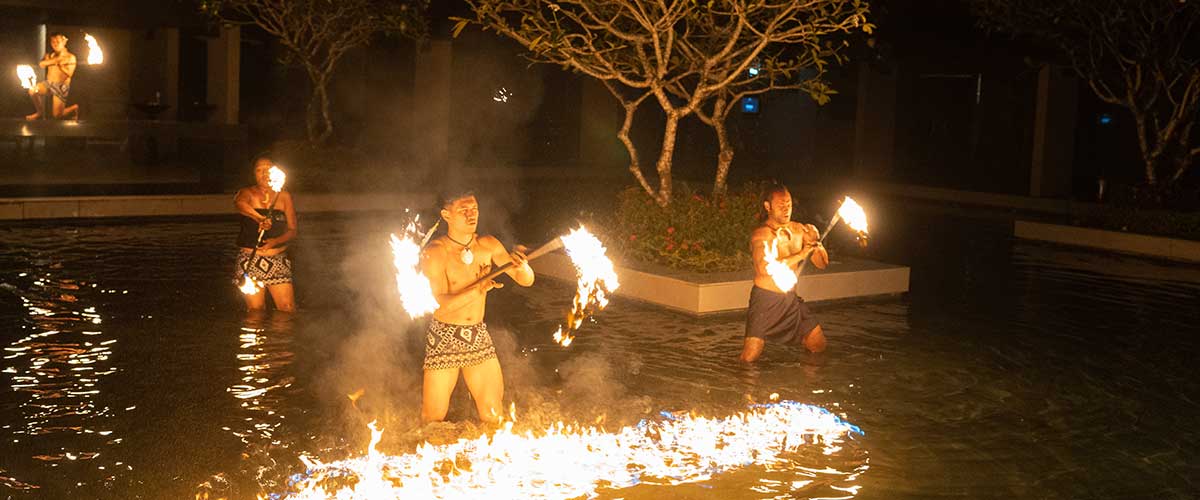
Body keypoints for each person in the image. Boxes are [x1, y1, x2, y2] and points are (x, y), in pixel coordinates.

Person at [419, 189, 534, 424]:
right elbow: (437, 308)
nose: (471, 215)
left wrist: (522, 267)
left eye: (474, 210)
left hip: (477, 335)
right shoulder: (435, 253)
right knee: (433, 417)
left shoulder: (488, 245)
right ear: (446, 214)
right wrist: (476, 291)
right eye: (463, 210)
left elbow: (526, 280)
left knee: (493, 414)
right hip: (444, 336)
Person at [740, 183, 829, 362]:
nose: (786, 209)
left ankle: (805, 382)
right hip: (766, 301)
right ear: (768, 207)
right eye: (780, 205)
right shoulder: (762, 235)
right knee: (750, 356)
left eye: (788, 204)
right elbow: (764, 269)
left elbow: (822, 264)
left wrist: (816, 244)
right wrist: (802, 254)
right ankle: (737, 384)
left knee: (817, 344)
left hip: (791, 300)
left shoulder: (799, 229)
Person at [233, 155, 297, 312]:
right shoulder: (247, 193)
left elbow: (293, 230)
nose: (264, 174)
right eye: (259, 170)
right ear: (254, 174)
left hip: (277, 259)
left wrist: (275, 242)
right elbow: (239, 204)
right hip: (251, 260)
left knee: (287, 309)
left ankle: (282, 337)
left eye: (267, 169)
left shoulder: (283, 196)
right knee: (256, 310)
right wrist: (259, 218)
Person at [26, 32, 79, 120]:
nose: (55, 44)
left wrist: (61, 66)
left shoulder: (70, 57)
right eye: (53, 42)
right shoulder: (50, 55)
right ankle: (40, 112)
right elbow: (42, 64)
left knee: (57, 115)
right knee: (32, 90)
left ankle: (74, 108)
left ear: (64, 42)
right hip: (48, 84)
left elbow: (69, 74)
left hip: (61, 86)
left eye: (58, 41)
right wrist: (55, 61)